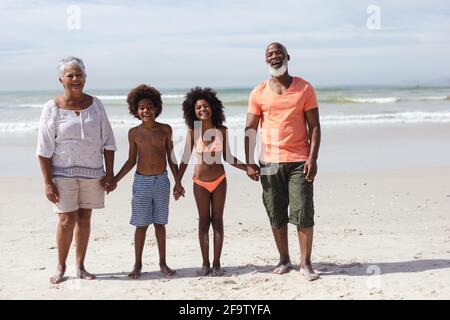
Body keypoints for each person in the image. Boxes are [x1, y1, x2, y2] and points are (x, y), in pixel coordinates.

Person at [36, 56, 116, 284]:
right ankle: (61, 266)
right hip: (62, 173)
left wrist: (109, 173)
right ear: (61, 79)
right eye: (70, 75)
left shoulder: (96, 104)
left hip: (93, 173)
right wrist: (47, 181)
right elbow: (43, 149)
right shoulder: (52, 107)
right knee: (65, 220)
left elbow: (108, 141)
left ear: (85, 78)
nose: (75, 78)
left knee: (84, 218)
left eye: (79, 74)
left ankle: (80, 266)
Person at [245, 43, 321, 281]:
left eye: (279, 53)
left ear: (288, 57)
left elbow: (315, 126)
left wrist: (313, 158)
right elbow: (250, 128)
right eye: (270, 54)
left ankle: (305, 262)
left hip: (299, 160)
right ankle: (284, 259)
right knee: (275, 212)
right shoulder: (258, 92)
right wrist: (249, 162)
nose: (274, 56)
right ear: (265, 60)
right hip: (270, 162)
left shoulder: (304, 88)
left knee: (302, 211)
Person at [111, 84, 184, 279]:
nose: (146, 110)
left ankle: (163, 263)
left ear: (156, 108)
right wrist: (115, 180)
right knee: (141, 225)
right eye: (142, 107)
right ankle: (137, 264)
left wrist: (178, 182)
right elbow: (130, 161)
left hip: (162, 180)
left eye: (150, 106)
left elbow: (172, 158)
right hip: (141, 182)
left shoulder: (165, 130)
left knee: (160, 224)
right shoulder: (134, 133)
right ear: (136, 111)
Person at [179, 87, 247, 276]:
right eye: (199, 107)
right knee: (203, 221)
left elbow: (229, 157)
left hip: (219, 181)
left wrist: (248, 167)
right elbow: (184, 159)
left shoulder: (221, 130)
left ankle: (216, 263)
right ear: (192, 110)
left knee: (217, 221)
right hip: (199, 182)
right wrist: (177, 182)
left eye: (206, 106)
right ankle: (205, 263)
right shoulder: (193, 131)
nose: (203, 110)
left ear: (213, 108)